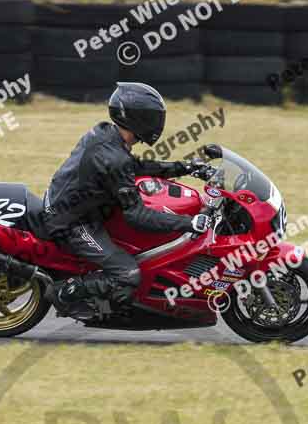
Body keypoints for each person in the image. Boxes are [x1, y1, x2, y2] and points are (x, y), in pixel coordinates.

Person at [42, 82, 212, 318]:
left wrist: (187, 167)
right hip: (72, 223)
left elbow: (136, 166)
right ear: (138, 117)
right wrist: (188, 223)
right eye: (154, 117)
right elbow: (137, 216)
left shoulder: (106, 134)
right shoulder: (115, 158)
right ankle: (64, 293)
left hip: (68, 204)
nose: (158, 122)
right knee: (128, 274)